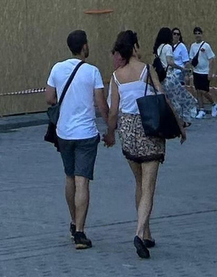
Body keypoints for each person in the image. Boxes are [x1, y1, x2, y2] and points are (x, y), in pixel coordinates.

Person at [106, 28, 182, 258]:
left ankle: (147, 232)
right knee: (149, 186)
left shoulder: (116, 76)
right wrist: (179, 125)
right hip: (149, 128)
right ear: (135, 47)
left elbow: (113, 112)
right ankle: (139, 233)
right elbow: (163, 97)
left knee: (139, 182)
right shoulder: (147, 70)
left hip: (128, 131)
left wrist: (110, 133)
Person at [44, 28, 109, 248]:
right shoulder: (92, 71)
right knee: (83, 181)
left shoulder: (57, 68)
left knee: (69, 177)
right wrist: (111, 128)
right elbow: (101, 104)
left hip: (64, 133)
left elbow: (49, 98)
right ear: (84, 46)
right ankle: (81, 232)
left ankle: (73, 221)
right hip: (86, 134)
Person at [153, 27, 201, 128]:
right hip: (170, 77)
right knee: (182, 99)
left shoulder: (159, 47)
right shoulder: (168, 47)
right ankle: (181, 121)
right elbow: (170, 62)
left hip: (162, 78)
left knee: (170, 100)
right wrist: (182, 68)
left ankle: (174, 121)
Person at [188, 24, 217, 115]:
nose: (197, 35)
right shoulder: (193, 46)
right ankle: (201, 109)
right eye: (196, 33)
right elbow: (191, 58)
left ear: (202, 34)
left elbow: (211, 59)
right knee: (198, 91)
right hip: (196, 71)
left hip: (205, 72)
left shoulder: (206, 46)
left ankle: (214, 104)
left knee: (204, 91)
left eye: (199, 33)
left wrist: (210, 72)